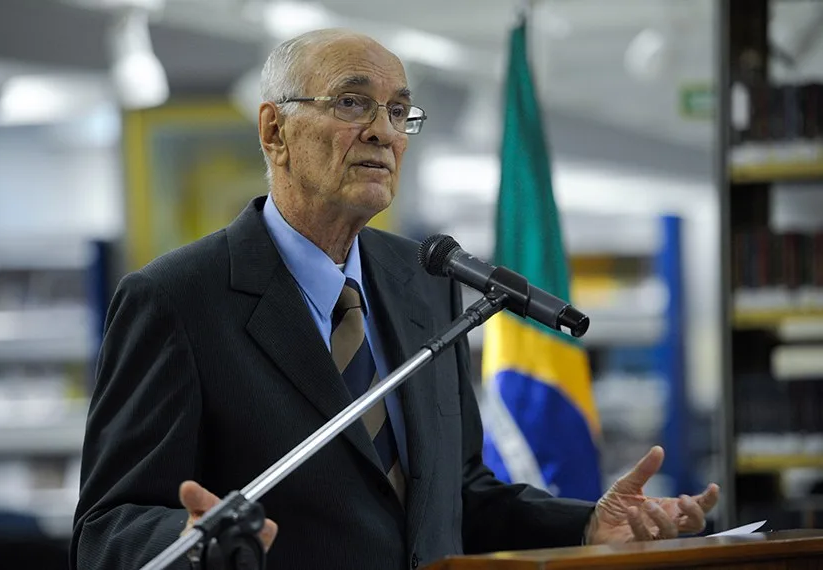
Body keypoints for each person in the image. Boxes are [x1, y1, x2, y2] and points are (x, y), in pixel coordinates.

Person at [71, 28, 720, 570]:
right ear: (274, 132)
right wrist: (195, 548)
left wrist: (585, 526)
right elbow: (109, 525)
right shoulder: (176, 300)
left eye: (398, 110)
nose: (384, 132)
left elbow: (456, 492)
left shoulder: (425, 279)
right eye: (353, 104)